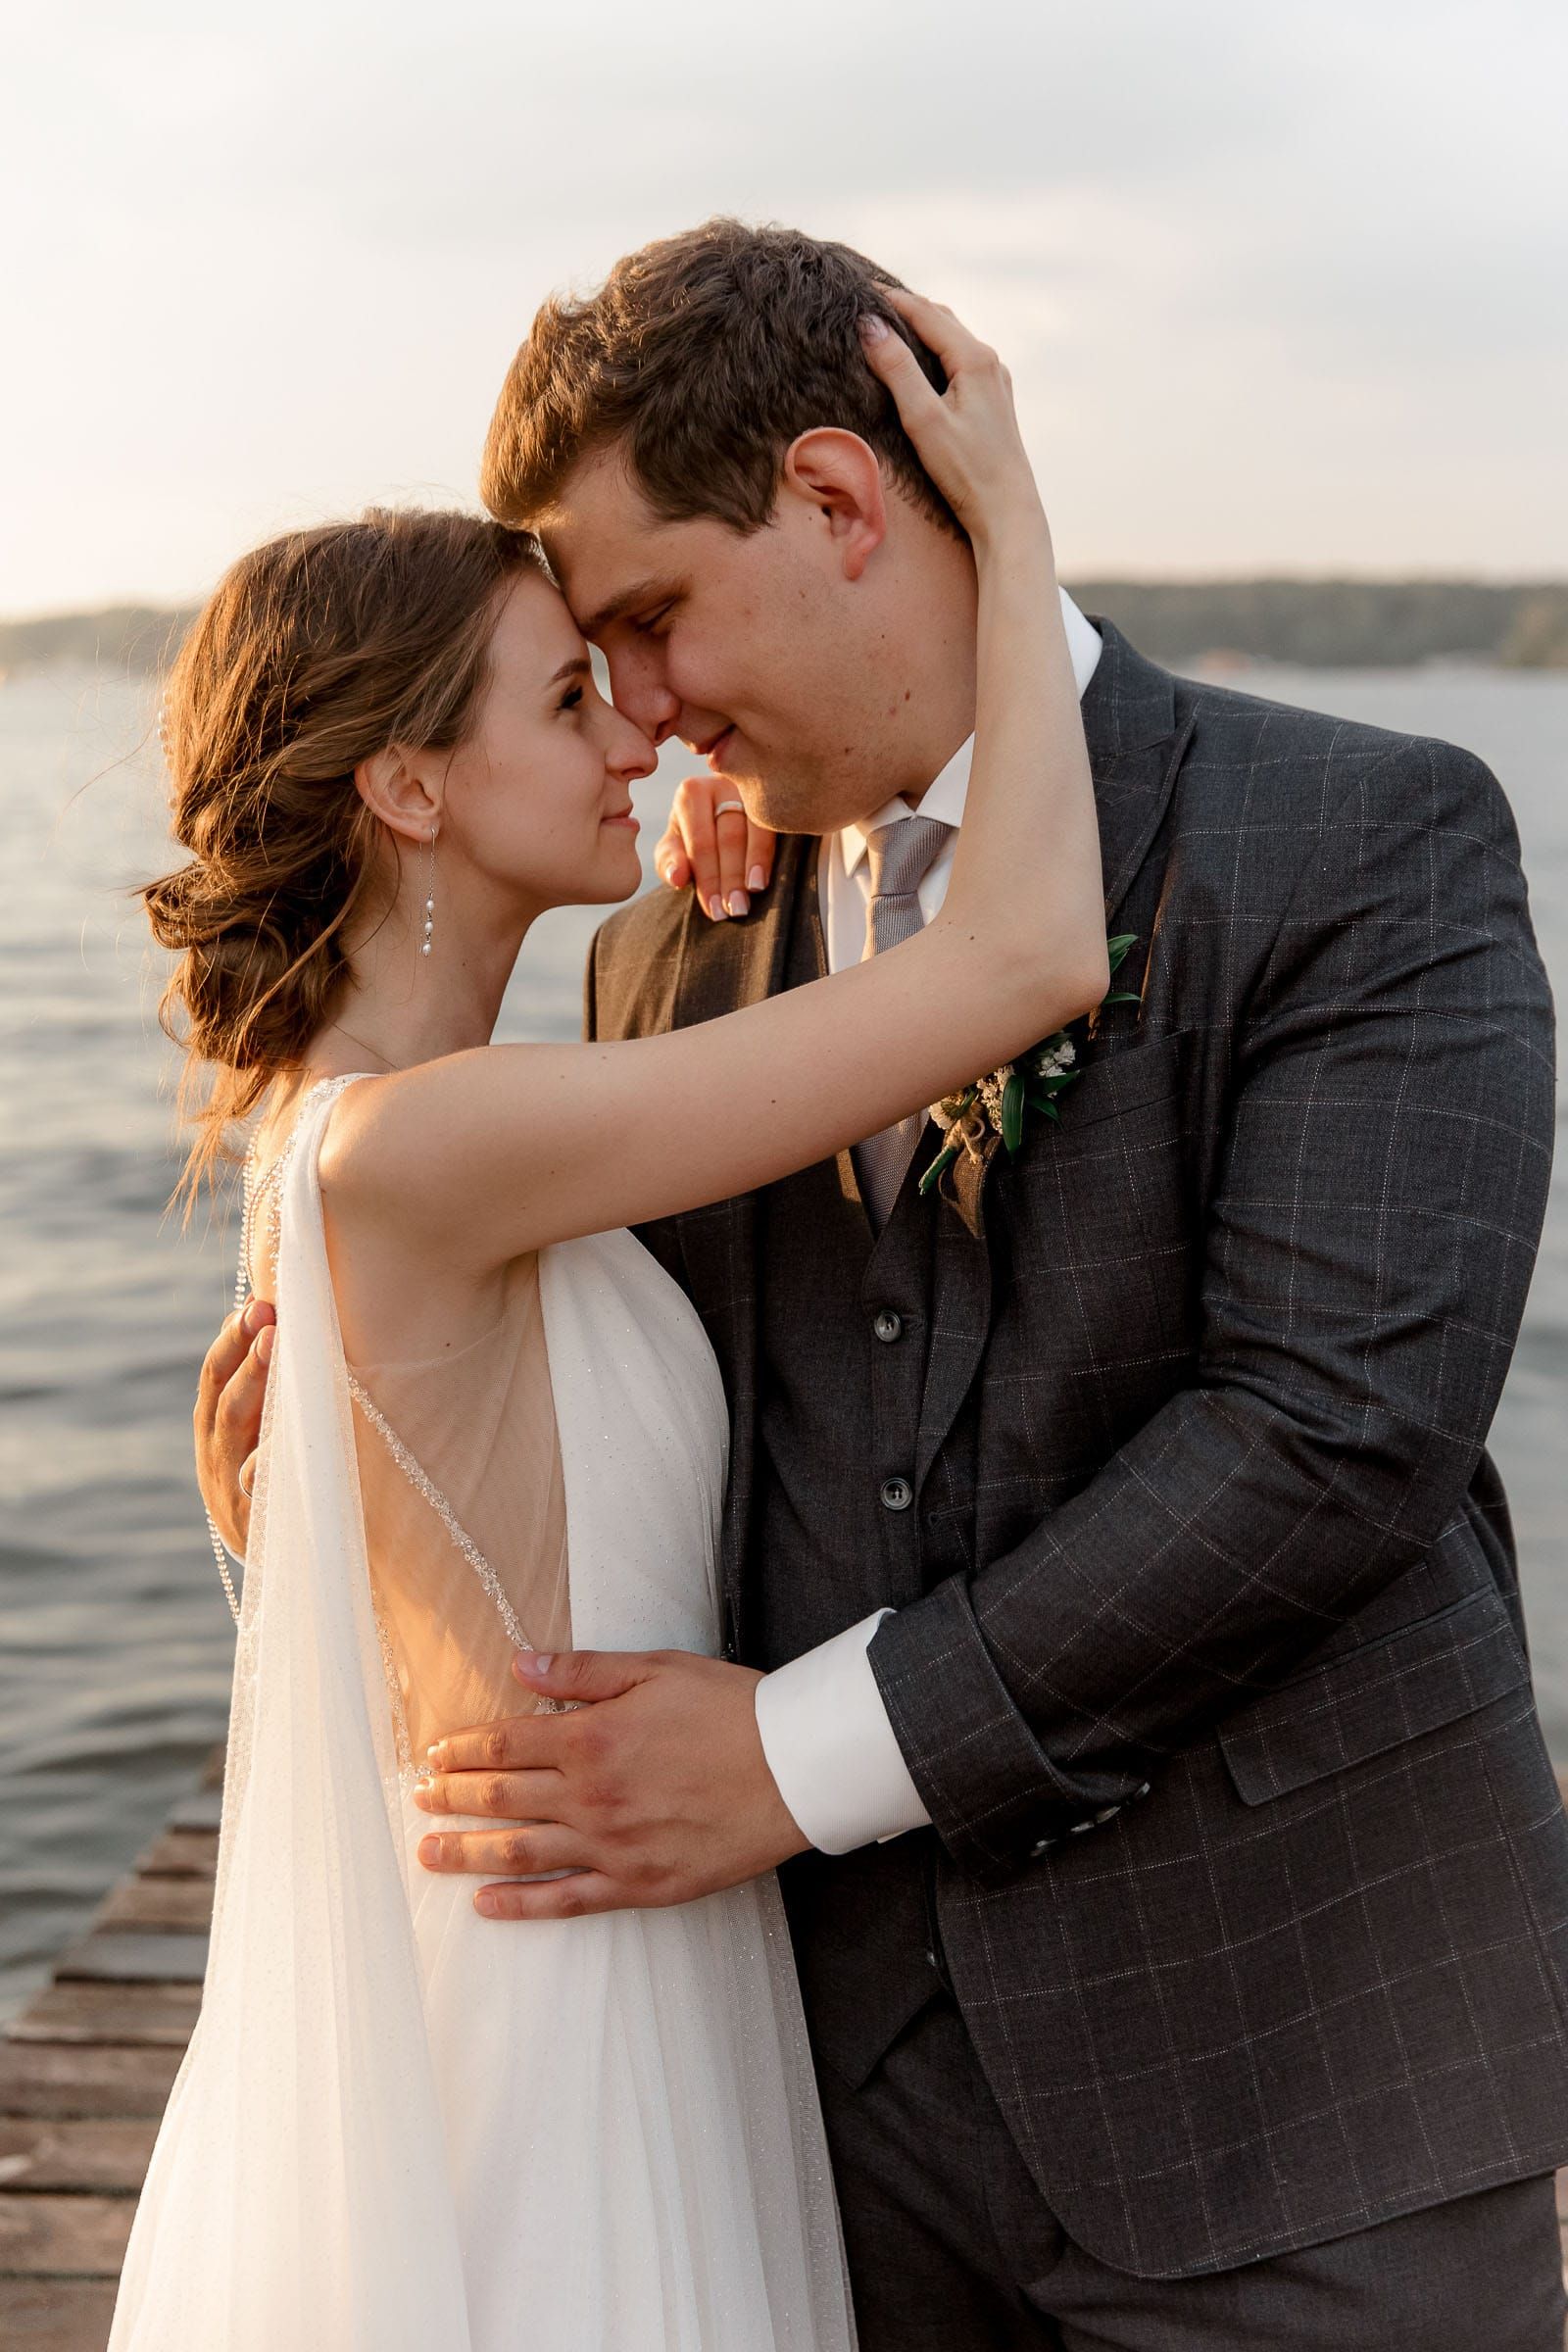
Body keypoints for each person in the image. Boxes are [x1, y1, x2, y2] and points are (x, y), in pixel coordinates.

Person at [197, 224, 1568, 2349]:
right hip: (808, 2124)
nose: (640, 711)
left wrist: (794, 1759)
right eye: (586, 670)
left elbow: (1326, 1438)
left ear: (840, 501)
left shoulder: (1362, 837)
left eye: (645, 621)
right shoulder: (664, 960)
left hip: (1294, 2099)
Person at [110, 293, 1105, 2351]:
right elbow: (1019, 953)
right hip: (562, 2007)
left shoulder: (414, 1135)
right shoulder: (419, 1150)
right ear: (406, 784)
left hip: (620, 1925)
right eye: (570, 699)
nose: (643, 731)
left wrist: (790, 844)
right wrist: (999, 524)